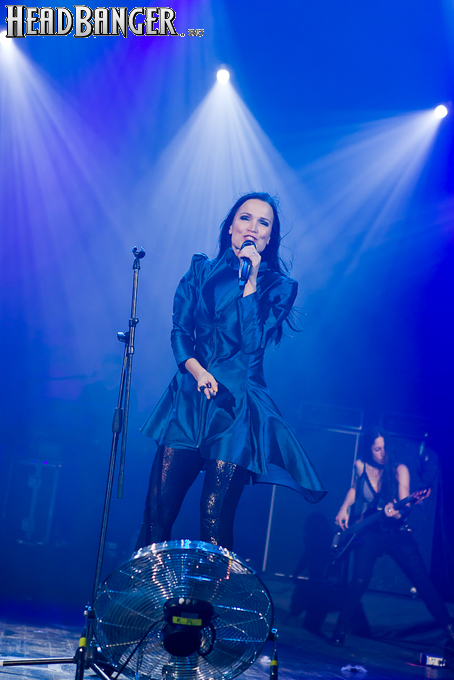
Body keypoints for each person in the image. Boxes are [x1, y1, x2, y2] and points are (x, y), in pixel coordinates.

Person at [135, 192, 326, 552]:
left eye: (263, 223)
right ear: (230, 226)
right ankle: (143, 587)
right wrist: (197, 372)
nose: (252, 227)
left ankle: (216, 590)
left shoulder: (279, 287)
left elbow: (253, 344)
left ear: (269, 237)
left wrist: (250, 282)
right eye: (245, 218)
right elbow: (180, 332)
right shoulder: (199, 270)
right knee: (157, 512)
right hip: (190, 398)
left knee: (214, 519)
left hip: (235, 406)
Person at [331, 427, 453, 655]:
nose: (382, 453)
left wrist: (396, 513)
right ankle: (339, 629)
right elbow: (355, 489)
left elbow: (405, 506)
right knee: (359, 579)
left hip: (396, 533)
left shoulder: (399, 469)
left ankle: (450, 632)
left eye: (384, 448)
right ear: (369, 449)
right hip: (370, 532)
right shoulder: (361, 465)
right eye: (377, 449)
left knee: (423, 582)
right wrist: (344, 508)